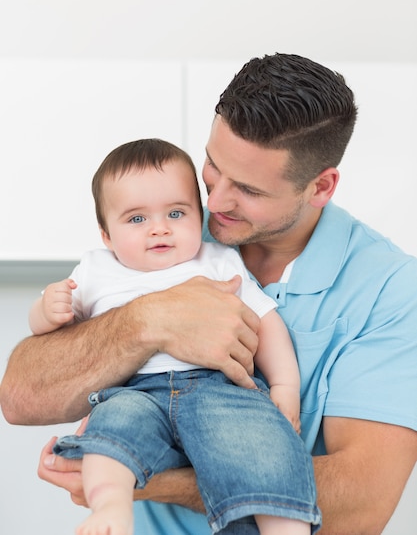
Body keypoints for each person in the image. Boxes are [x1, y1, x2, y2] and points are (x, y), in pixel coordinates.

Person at [1, 53, 417, 535]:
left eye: (249, 190)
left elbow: (361, 503)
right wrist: (150, 320)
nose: (213, 203)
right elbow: (20, 396)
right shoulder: (170, 228)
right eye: (213, 167)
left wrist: (153, 477)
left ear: (320, 186)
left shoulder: (391, 290)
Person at [28, 138, 320, 535]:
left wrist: (285, 384)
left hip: (219, 388)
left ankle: (285, 528)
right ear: (107, 235)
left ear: (198, 216)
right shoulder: (96, 270)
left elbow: (265, 321)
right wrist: (47, 308)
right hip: (134, 392)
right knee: (109, 432)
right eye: (136, 219)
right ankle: (111, 507)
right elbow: (48, 330)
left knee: (264, 446)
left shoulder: (217, 261)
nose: (159, 228)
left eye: (177, 213)